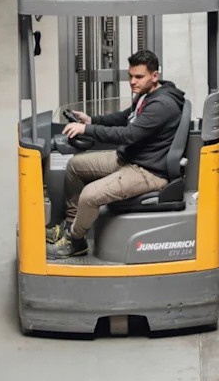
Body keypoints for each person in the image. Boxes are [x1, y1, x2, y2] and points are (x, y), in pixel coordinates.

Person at [49, 50, 185, 258]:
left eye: (139, 77)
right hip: (131, 158)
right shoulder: (147, 94)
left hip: (148, 171)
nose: (132, 82)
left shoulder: (162, 105)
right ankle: (70, 226)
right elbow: (125, 117)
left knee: (90, 195)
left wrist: (87, 131)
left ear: (154, 76)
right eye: (130, 76)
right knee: (75, 166)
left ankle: (76, 242)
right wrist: (91, 120)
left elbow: (128, 134)